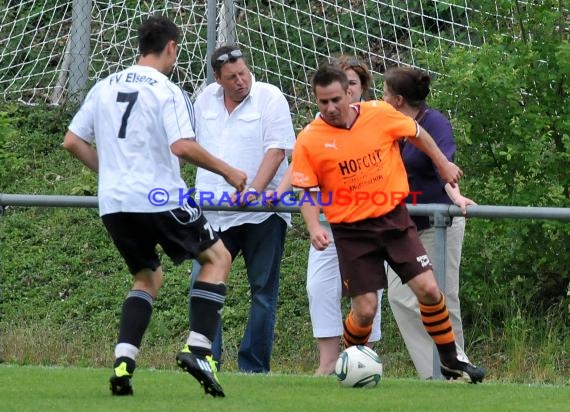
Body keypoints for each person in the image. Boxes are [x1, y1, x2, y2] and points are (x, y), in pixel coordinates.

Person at [62, 15, 247, 397]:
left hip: (114, 203)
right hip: (159, 196)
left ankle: (123, 363)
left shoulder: (103, 86)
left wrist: (109, 172)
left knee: (148, 276)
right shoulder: (167, 89)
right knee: (217, 258)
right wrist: (228, 171)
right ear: (171, 48)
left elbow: (72, 141)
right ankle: (198, 348)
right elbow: (182, 146)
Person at [290, 63, 486, 383]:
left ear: (349, 93)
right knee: (365, 310)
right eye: (323, 102)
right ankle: (352, 365)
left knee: (429, 290)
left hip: (394, 219)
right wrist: (314, 227)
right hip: (351, 232)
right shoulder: (310, 139)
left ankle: (451, 361)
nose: (330, 108)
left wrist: (443, 163)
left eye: (335, 99)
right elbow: (307, 191)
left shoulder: (378, 114)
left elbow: (418, 133)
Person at [273, 56, 383, 375]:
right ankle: (327, 364)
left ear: (359, 90)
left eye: (351, 84)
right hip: (328, 223)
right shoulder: (317, 131)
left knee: (366, 293)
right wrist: (279, 192)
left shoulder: (376, 122)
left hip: (367, 223)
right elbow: (300, 167)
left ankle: (362, 360)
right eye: (339, 85)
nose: (343, 93)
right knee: (319, 287)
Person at [188, 44, 295, 373]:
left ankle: (254, 368)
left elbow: (277, 151)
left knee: (263, 292)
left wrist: (254, 192)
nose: (240, 81)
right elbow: (187, 144)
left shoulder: (270, 97)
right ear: (218, 79)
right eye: (232, 77)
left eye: (244, 73)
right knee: (204, 286)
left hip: (261, 215)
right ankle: (206, 360)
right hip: (214, 212)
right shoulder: (204, 99)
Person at [382, 66, 477, 379]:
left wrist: (457, 196)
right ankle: (433, 372)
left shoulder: (434, 123)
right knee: (399, 296)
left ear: (397, 99)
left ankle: (457, 369)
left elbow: (445, 167)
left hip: (438, 223)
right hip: (402, 224)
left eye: (384, 93)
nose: (380, 98)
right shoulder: (387, 122)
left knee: (442, 298)